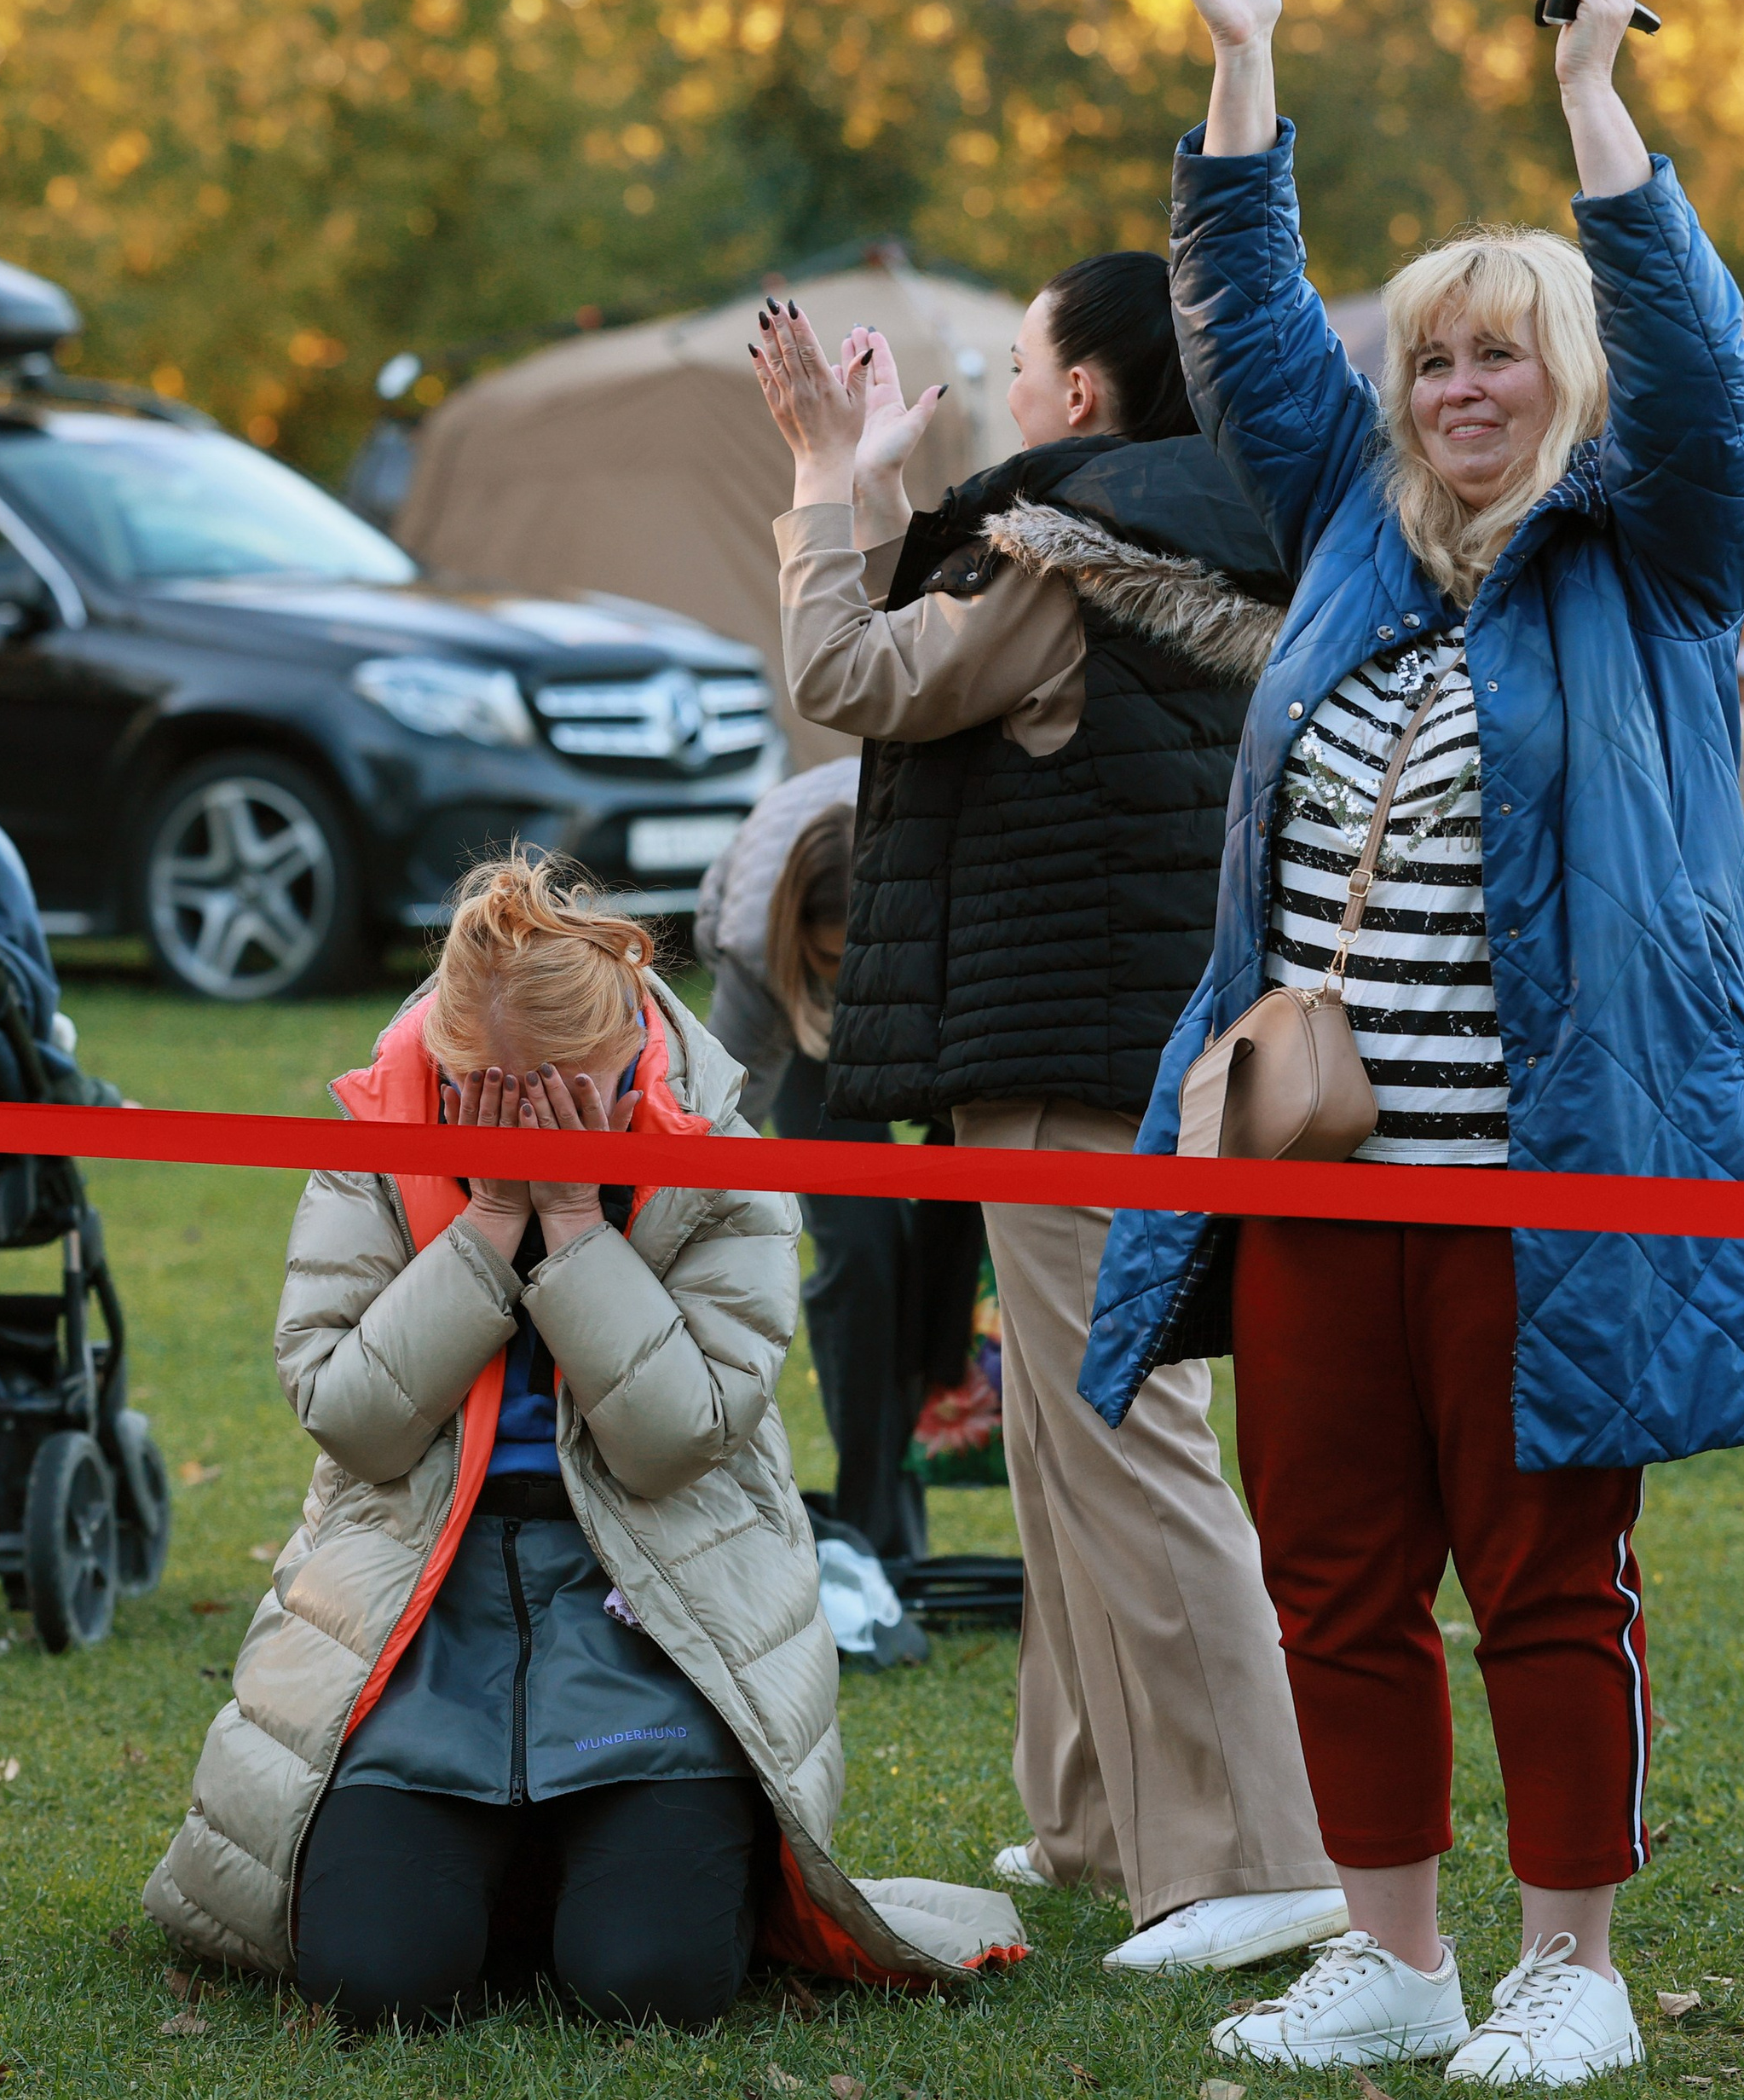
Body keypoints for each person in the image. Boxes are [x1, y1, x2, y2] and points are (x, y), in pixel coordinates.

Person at [1082, 0, 1744, 2080]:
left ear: (1559, 381)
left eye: (1497, 359)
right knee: (1332, 1567)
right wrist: (1242, 58)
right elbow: (1240, 328)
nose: (1457, 391)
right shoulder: (1353, 534)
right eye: (1432, 362)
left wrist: (1591, 113)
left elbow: (1693, 375)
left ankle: (1568, 1964)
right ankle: (1389, 1946)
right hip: (1317, 1180)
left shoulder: (1658, 544)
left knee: (1548, 1582)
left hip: (1540, 1190)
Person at [143, 853, 1022, 2023]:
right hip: (426, 1595)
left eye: (567, 1094)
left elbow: (673, 1443)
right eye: (488, 1097)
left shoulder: (720, 1155)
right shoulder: (380, 1138)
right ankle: (500, 1857)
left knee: (650, 1982)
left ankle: (590, 1856)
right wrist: (488, 1223)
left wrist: (571, 1225)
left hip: (648, 1592)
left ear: (628, 1062)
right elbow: (349, 1420)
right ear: (448, 1074)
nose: (526, 1119)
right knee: (380, 1980)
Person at [752, 256, 1346, 1969]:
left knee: (1125, 1449)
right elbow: (924, 670)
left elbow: (852, 679)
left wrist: (812, 474)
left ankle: (1257, 1853)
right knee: (1055, 1443)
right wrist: (871, 475)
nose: (1004, 391)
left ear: (1080, 395)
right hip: (1112, 1045)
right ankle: (1095, 1812)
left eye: (1018, 362)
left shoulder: (1065, 553)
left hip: (1075, 1061)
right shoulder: (1170, 530)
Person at [696, 758, 980, 1567]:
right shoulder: (758, 951)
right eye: (834, 964)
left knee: (945, 1256)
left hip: (937, 982)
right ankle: (872, 1531)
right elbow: (726, 1121)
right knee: (862, 1255)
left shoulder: (948, 895)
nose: (850, 985)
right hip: (793, 999)